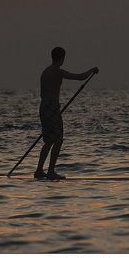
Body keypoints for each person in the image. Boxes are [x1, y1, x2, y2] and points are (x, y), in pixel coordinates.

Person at [35, 47, 98, 180]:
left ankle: (39, 170)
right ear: (62, 58)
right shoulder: (57, 72)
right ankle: (51, 171)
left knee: (48, 141)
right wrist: (92, 70)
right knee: (57, 140)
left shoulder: (45, 72)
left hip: (43, 107)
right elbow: (80, 77)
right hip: (52, 108)